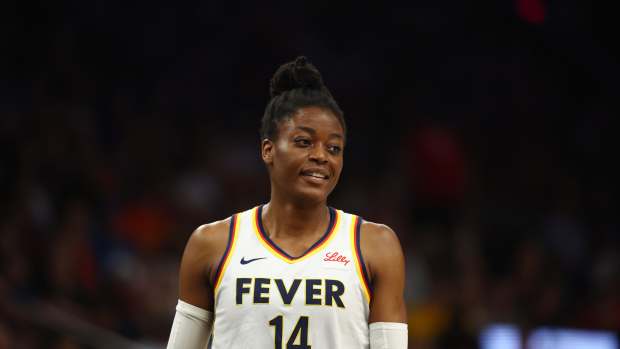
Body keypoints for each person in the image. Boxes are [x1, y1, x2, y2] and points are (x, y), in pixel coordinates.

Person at [167, 56, 407, 349]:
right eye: (304, 142)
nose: (322, 156)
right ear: (268, 150)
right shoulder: (211, 243)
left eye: (334, 148)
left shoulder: (375, 245)